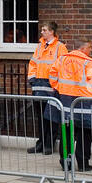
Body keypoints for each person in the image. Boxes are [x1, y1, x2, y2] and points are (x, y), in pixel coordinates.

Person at [50, 40, 92, 172]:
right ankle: (83, 163)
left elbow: (52, 76)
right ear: (83, 49)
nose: (91, 51)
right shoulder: (91, 64)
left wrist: (61, 88)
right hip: (85, 103)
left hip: (66, 101)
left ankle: (65, 162)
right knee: (84, 134)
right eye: (90, 48)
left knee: (66, 132)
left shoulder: (61, 60)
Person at [26, 21, 66, 156]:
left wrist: (56, 84)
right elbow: (33, 63)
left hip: (51, 88)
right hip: (38, 86)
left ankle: (49, 144)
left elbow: (62, 66)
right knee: (40, 117)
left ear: (51, 32)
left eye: (44, 30)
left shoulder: (60, 47)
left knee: (51, 117)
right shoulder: (39, 47)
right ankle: (41, 143)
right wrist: (31, 77)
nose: (42, 32)